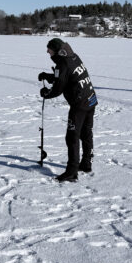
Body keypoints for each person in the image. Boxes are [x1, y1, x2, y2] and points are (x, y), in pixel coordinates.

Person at [38, 38, 98, 182]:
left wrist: (47, 93)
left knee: (72, 137)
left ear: (57, 50)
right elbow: (66, 77)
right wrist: (48, 76)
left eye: (50, 49)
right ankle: (86, 163)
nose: (47, 52)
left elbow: (59, 87)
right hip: (91, 99)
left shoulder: (62, 63)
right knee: (86, 133)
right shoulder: (73, 56)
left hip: (79, 105)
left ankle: (72, 172)